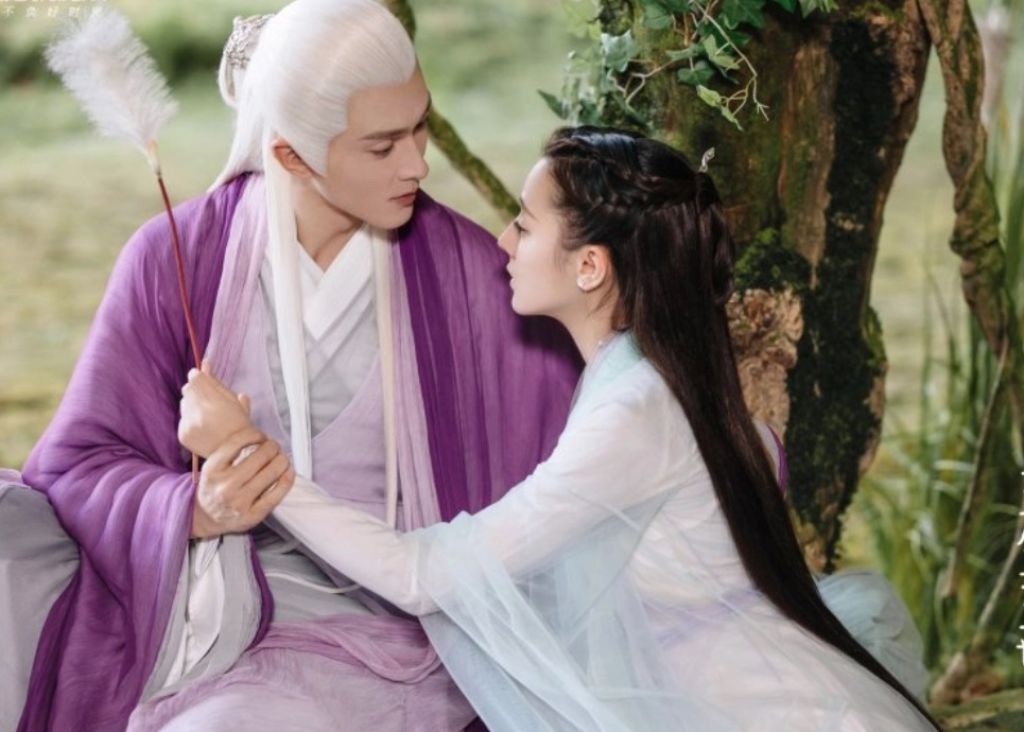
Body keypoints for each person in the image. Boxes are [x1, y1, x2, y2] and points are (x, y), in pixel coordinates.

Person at [182, 126, 941, 730]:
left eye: (523, 222)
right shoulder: (652, 376)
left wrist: (249, 455)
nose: (503, 242)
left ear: (589, 268)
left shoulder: (635, 411)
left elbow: (423, 577)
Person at [0, 2, 580, 730]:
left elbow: (575, 461)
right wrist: (195, 510)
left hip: (398, 635)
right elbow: (79, 465)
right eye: (382, 146)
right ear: (290, 155)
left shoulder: (467, 273)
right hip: (215, 617)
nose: (417, 163)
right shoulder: (176, 258)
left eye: (420, 126)